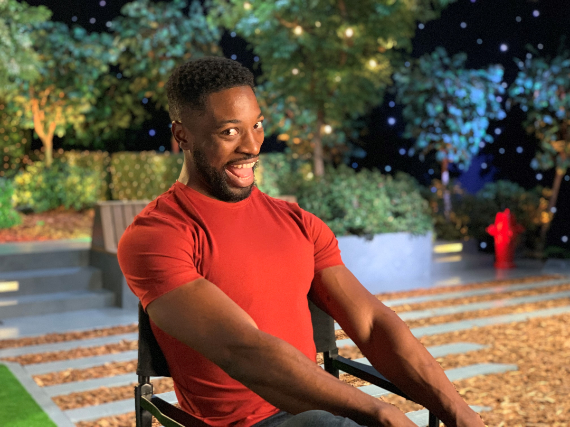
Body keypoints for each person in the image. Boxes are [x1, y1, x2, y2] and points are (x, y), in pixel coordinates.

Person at [117, 57, 485, 427]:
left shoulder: (299, 224)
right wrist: (380, 411)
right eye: (230, 132)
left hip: (316, 412)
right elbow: (243, 351)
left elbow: (372, 324)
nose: (252, 146)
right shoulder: (157, 235)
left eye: (257, 125)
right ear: (182, 135)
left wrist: (458, 411)